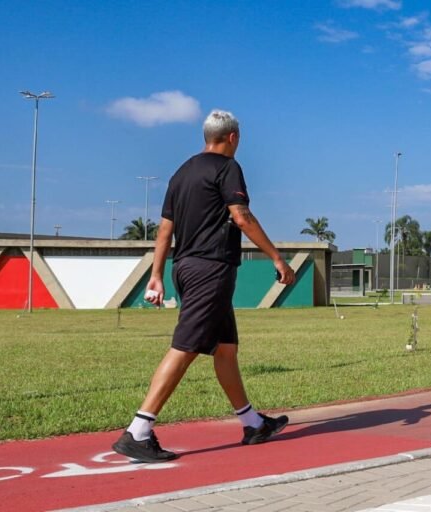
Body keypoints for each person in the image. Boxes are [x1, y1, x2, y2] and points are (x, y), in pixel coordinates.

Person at [112, 110, 296, 463]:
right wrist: (277, 258)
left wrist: (156, 274)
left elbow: (165, 229)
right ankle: (138, 431)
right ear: (233, 137)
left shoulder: (182, 172)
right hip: (211, 269)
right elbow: (241, 216)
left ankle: (253, 424)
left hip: (185, 267)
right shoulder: (228, 168)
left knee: (225, 348)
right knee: (185, 346)